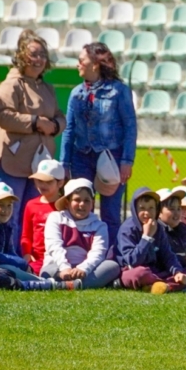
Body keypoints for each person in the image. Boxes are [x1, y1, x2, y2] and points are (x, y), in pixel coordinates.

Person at [0, 30, 66, 240]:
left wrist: (55, 125)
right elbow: (3, 116)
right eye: (34, 54)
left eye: (42, 54)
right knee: (9, 214)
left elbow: (60, 116)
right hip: (13, 162)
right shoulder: (11, 84)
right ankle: (6, 258)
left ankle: (29, 261)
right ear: (22, 56)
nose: (39, 59)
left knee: (33, 215)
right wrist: (35, 122)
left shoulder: (47, 88)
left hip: (39, 165)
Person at [60, 42, 137, 246]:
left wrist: (127, 160)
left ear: (95, 64)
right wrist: (64, 164)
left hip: (111, 159)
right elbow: (69, 129)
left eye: (81, 61)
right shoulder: (76, 93)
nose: (78, 65)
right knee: (80, 208)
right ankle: (80, 252)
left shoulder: (119, 91)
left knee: (110, 213)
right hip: (81, 158)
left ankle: (113, 257)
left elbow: (130, 126)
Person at [41, 179, 121, 289]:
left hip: (84, 271)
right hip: (59, 267)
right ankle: (77, 283)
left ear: (92, 203)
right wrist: (64, 268)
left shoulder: (99, 225)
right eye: (77, 200)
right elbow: (54, 246)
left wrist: (83, 269)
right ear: (67, 202)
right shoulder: (56, 218)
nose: (82, 204)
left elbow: (98, 253)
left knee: (113, 266)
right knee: (47, 270)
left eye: (87, 200)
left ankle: (67, 285)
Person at [117, 187, 186, 294]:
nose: (147, 213)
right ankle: (166, 285)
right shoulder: (128, 229)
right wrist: (146, 237)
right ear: (134, 209)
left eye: (151, 208)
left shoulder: (158, 228)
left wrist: (177, 272)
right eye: (142, 208)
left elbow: (167, 254)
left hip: (155, 271)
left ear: (156, 210)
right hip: (133, 270)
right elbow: (133, 261)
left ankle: (160, 286)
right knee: (140, 273)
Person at [0, 181, 43, 284]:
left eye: (9, 205)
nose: (5, 210)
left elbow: (9, 251)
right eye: (0, 205)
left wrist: (22, 265)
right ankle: (46, 284)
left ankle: (43, 283)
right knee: (10, 272)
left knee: (16, 272)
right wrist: (22, 263)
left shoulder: (3, 221)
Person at [20, 159, 65, 275]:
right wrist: (27, 254)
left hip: (61, 258)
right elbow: (26, 235)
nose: (42, 185)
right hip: (37, 259)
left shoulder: (66, 206)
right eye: (39, 180)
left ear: (60, 183)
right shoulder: (31, 205)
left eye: (48, 182)